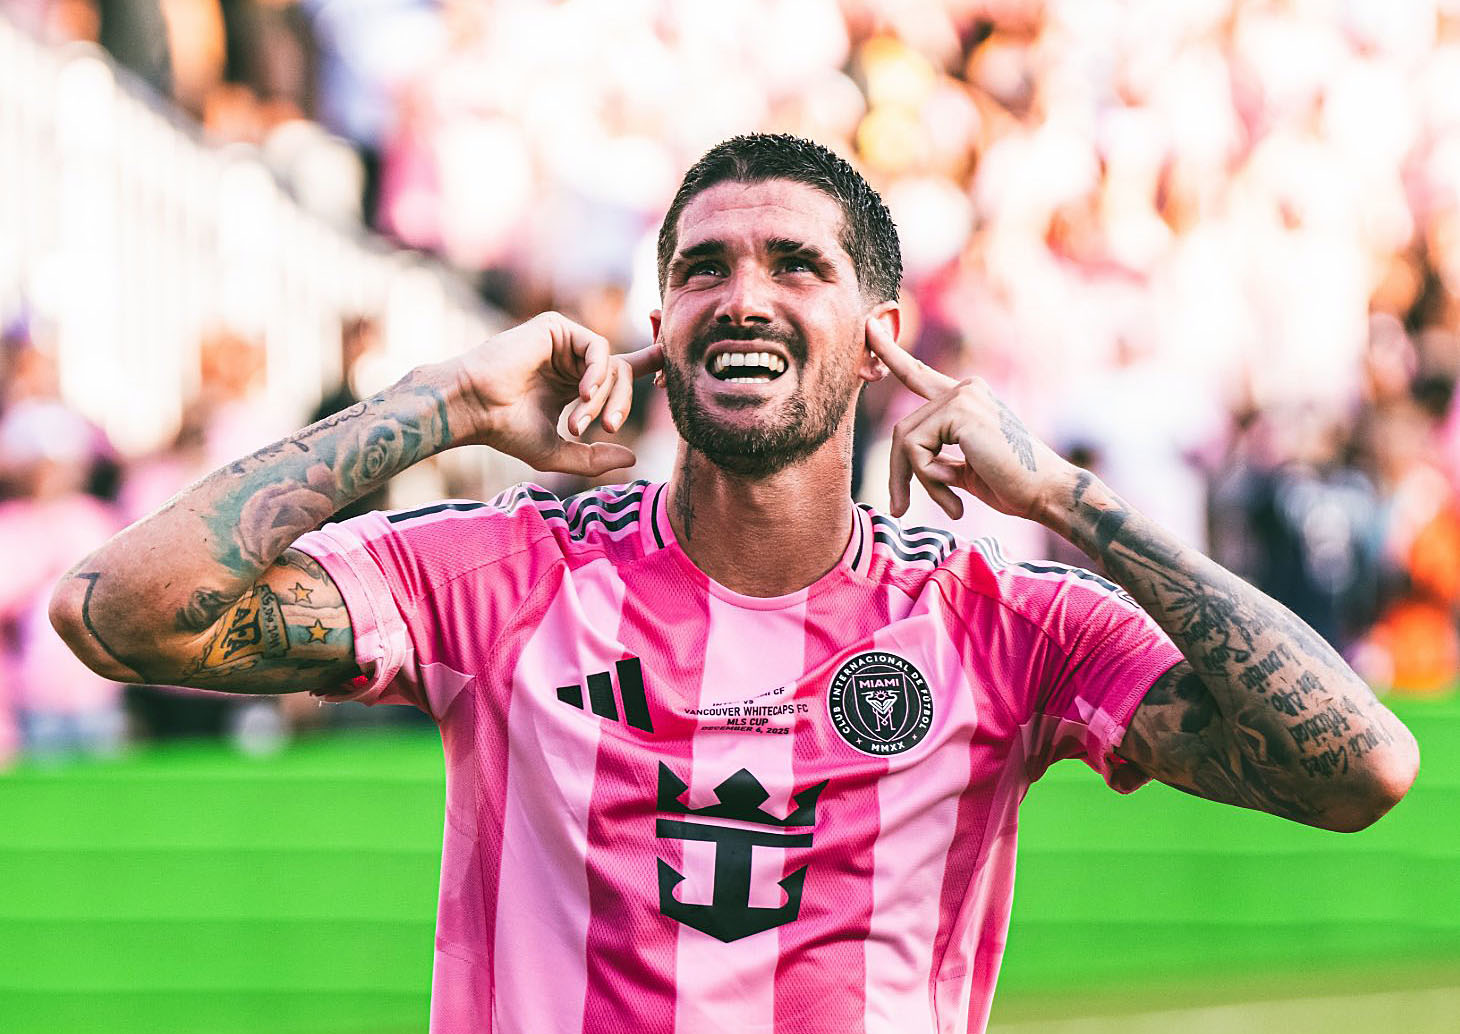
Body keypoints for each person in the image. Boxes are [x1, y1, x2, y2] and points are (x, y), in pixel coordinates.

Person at [50, 134, 1418, 1033]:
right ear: (661, 328)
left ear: (881, 337)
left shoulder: (1005, 618)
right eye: (703, 268)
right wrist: (444, 399)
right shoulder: (505, 572)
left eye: (795, 265)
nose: (743, 296)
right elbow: (117, 609)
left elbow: (1360, 767)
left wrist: (1067, 500)